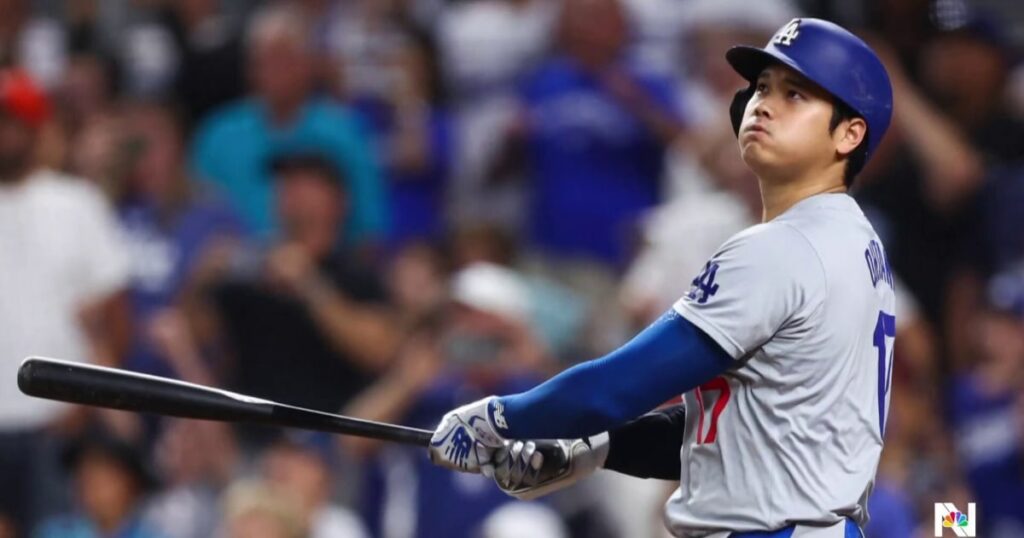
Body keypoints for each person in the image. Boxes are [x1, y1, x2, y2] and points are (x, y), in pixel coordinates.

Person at [428, 18, 898, 537]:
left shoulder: (784, 247)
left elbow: (617, 387)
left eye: (795, 95)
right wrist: (593, 450)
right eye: (763, 87)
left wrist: (499, 417)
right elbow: (739, 433)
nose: (763, 104)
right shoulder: (859, 246)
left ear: (849, 133)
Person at [0, 68, 132, 536]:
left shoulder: (76, 203)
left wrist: (87, 401)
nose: (3, 134)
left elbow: (116, 318)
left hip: (56, 423)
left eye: (12, 121)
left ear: (36, 129)